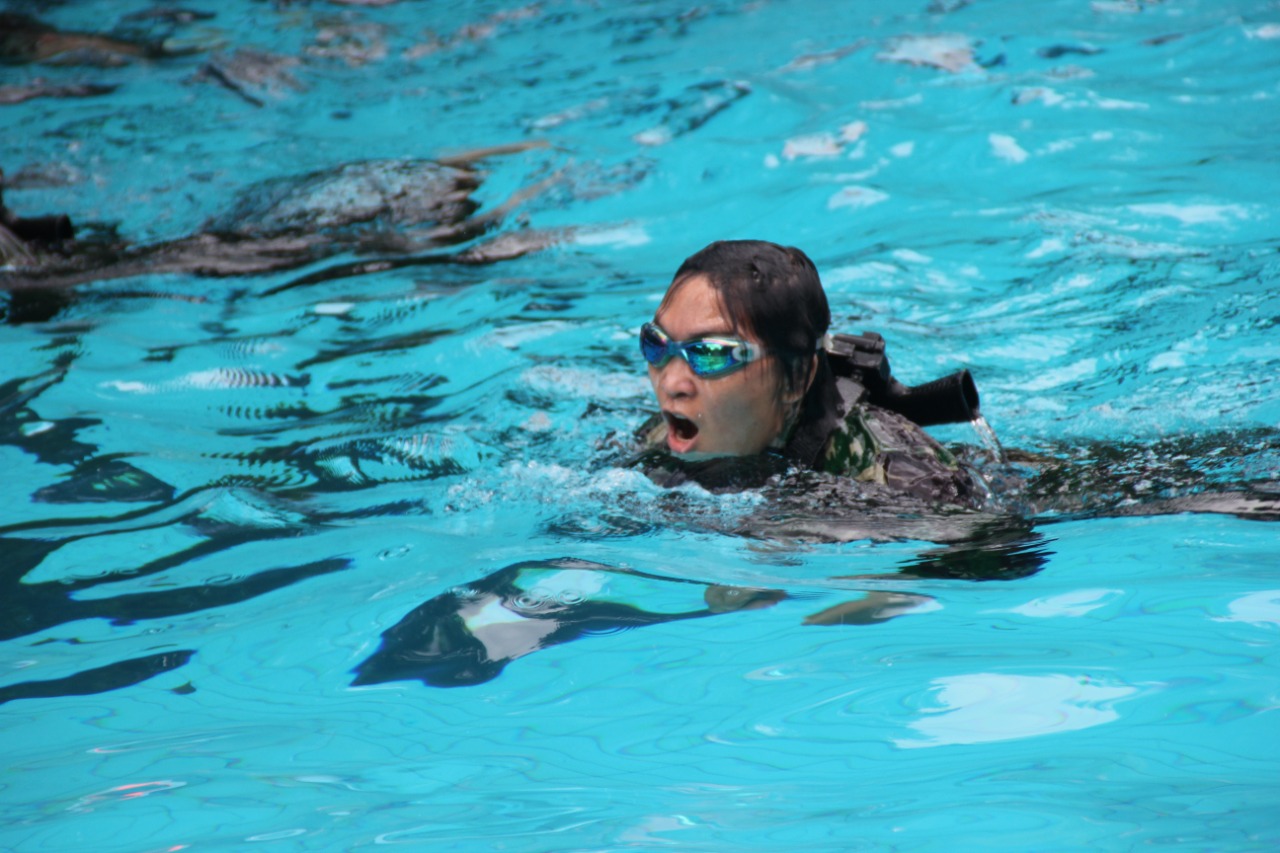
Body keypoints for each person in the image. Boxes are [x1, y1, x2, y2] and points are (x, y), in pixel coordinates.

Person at [634, 239, 982, 506]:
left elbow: (1001, 557)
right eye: (657, 344)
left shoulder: (899, 480)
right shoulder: (661, 435)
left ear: (796, 378)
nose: (670, 382)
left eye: (710, 353)